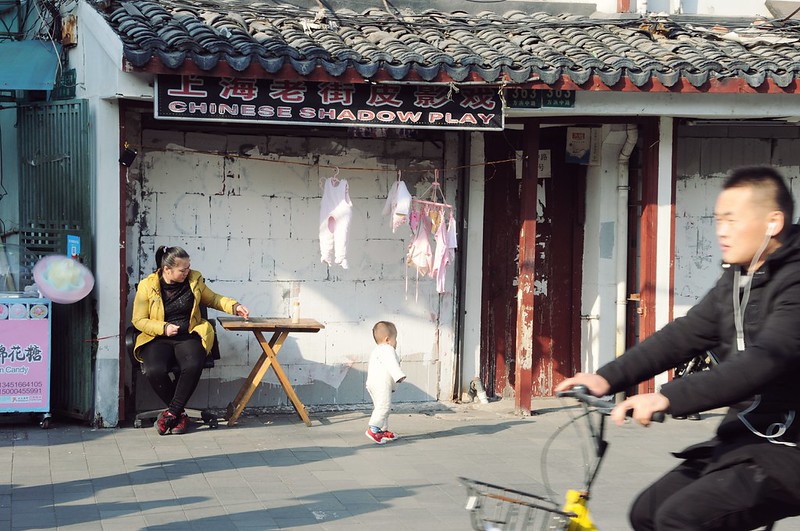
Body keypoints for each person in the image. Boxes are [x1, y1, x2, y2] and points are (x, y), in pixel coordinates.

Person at [556, 166, 800, 530]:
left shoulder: (795, 281)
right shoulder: (739, 276)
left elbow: (763, 361)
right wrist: (605, 378)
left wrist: (667, 397)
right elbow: (685, 334)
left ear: (773, 222)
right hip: (750, 439)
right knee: (647, 512)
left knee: (679, 519)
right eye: (718, 219)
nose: (721, 230)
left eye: (732, 220)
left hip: (789, 448)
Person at [132, 246, 249, 435]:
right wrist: (163, 328)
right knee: (154, 370)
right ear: (167, 270)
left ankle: (172, 414)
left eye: (188, 268)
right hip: (158, 337)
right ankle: (180, 414)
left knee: (194, 363)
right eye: (182, 270)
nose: (187, 272)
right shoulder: (148, 286)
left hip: (189, 334)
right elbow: (138, 320)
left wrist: (235, 306)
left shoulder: (195, 280)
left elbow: (214, 299)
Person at [365, 321, 406, 444]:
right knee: (384, 407)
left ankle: (382, 430)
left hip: (373, 384)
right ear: (388, 339)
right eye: (395, 339)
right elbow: (392, 365)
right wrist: (399, 376)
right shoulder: (388, 349)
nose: (396, 342)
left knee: (380, 407)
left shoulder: (376, 350)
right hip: (381, 384)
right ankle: (373, 429)